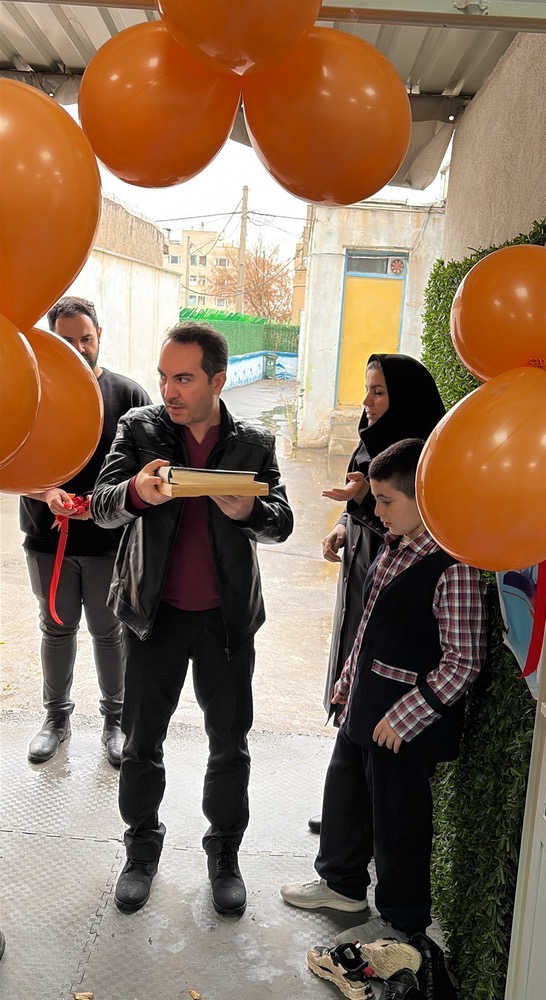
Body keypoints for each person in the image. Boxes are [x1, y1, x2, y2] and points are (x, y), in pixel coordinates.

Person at [90, 320, 294, 917]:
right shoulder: (140, 429)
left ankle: (224, 853)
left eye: (183, 379)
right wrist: (136, 492)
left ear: (218, 381)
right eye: (163, 377)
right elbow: (102, 507)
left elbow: (281, 522)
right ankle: (141, 849)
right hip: (152, 616)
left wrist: (250, 511)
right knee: (141, 743)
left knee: (229, 745)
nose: (168, 391)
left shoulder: (254, 442)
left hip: (226, 623)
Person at [281, 438, 487, 950]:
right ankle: (341, 884)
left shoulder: (453, 566)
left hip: (402, 725)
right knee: (345, 792)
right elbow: (369, 625)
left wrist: (405, 717)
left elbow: (464, 661)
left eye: (387, 500)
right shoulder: (395, 545)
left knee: (400, 822)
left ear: (425, 497)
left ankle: (401, 921)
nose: (377, 512)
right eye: (375, 499)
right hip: (363, 705)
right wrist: (347, 683)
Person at [309, 353, 446, 834]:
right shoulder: (373, 441)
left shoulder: (423, 455)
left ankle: (361, 813)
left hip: (399, 584)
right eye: (367, 389)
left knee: (378, 683)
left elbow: (409, 518)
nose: (367, 402)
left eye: (379, 392)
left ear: (405, 398)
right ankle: (346, 807)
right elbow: (362, 499)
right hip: (366, 569)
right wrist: (343, 524)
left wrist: (364, 502)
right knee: (353, 669)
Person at [21, 296, 151, 768]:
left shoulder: (130, 397)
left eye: (86, 339)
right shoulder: (30, 393)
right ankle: (56, 719)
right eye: (66, 340)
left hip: (107, 543)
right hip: (47, 537)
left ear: (100, 337)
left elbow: (149, 472)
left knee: (108, 631)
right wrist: (46, 493)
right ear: (49, 341)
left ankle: (115, 720)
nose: (78, 348)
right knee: (56, 628)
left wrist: (104, 505)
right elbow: (10, 463)